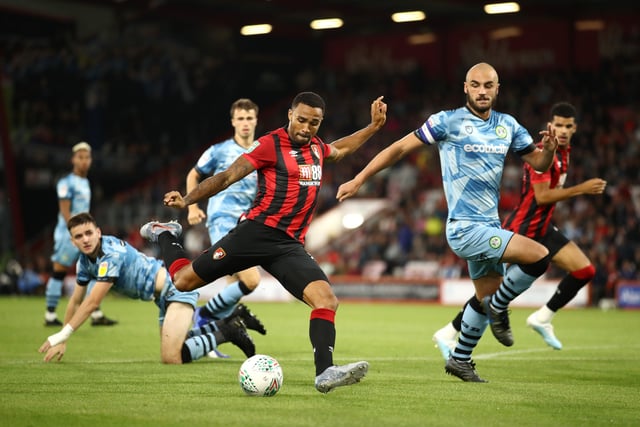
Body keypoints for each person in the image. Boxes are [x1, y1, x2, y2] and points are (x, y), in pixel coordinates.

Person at [140, 92, 387, 393]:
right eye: (301, 120)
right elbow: (228, 175)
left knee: (326, 300)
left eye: (314, 123)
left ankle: (325, 373)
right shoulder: (270, 144)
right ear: (290, 114)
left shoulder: (317, 149)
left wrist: (373, 127)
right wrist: (188, 199)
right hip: (255, 234)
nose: (306, 128)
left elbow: (341, 148)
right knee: (183, 281)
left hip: (288, 245)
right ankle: (165, 233)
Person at [336, 63, 559, 382]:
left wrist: (549, 151)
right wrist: (359, 179)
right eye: (476, 85)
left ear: (498, 89)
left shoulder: (508, 126)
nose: (482, 91)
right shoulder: (447, 121)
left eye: (488, 85)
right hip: (465, 228)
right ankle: (500, 306)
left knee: (484, 299)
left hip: (489, 226)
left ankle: (460, 358)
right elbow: (399, 148)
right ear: (465, 88)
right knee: (539, 256)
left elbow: (538, 161)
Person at [432, 102, 607, 356]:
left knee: (585, 270)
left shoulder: (563, 152)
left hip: (544, 227)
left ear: (575, 128)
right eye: (558, 125)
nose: (563, 130)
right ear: (550, 125)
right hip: (524, 226)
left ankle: (542, 318)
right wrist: (582, 189)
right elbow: (542, 196)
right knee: (491, 292)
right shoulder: (542, 153)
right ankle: (449, 332)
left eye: (568, 126)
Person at [38, 213, 259, 364]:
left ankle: (228, 332)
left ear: (98, 232)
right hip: (161, 299)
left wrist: (60, 334)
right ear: (72, 240)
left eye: (88, 233)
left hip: (175, 290)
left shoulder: (110, 254)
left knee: (172, 357)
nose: (85, 239)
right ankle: (230, 322)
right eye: (79, 236)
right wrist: (63, 339)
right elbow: (76, 300)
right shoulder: (85, 262)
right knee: (179, 345)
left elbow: (92, 302)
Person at [185, 99, 266, 355]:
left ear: (256, 120)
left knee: (235, 279)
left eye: (249, 118)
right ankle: (205, 315)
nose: (245, 123)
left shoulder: (262, 149)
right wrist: (192, 207)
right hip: (222, 218)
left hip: (247, 222)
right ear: (233, 121)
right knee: (251, 279)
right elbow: (193, 174)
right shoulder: (219, 150)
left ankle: (211, 331)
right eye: (240, 118)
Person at [44, 142, 116, 327]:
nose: (84, 161)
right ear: (73, 159)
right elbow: (65, 211)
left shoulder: (85, 182)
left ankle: (96, 313)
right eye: (80, 157)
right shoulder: (65, 182)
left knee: (94, 271)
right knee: (59, 271)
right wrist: (74, 233)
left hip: (83, 233)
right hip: (67, 234)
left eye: (87, 157)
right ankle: (50, 314)